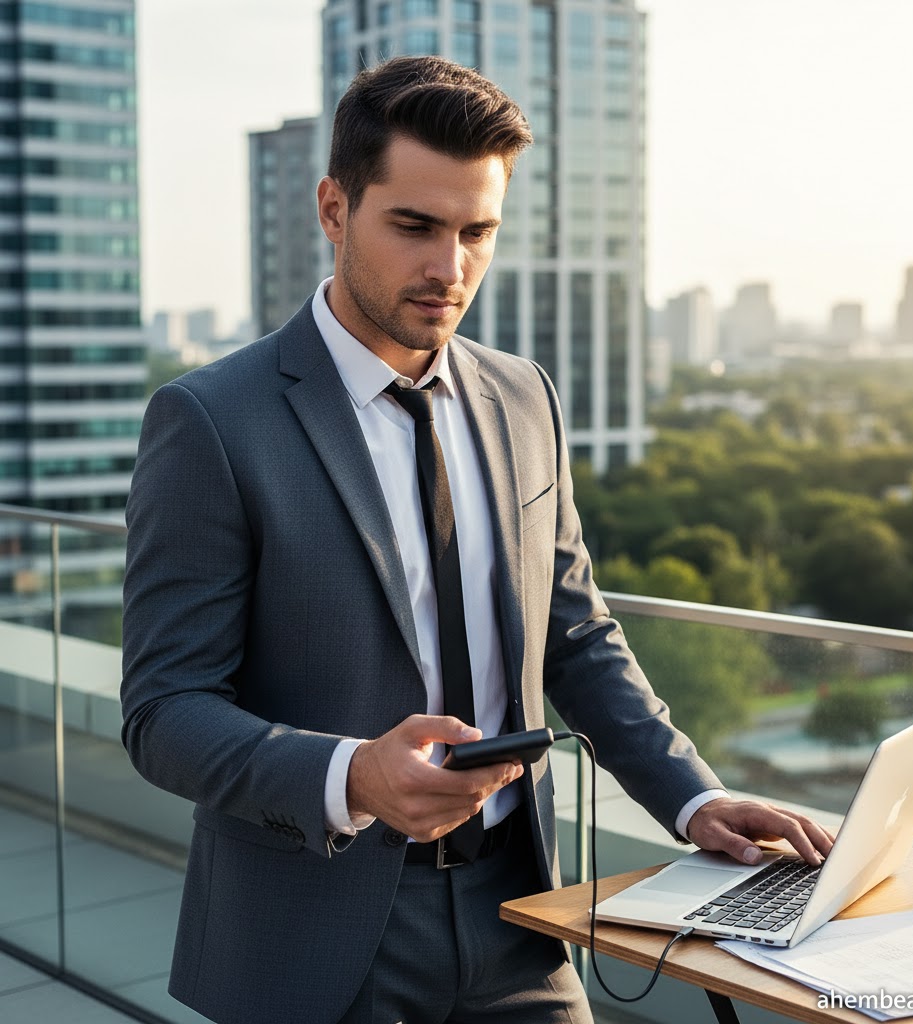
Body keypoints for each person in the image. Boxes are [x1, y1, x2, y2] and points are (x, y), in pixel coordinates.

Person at [121, 56, 832, 1024]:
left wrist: (691, 798)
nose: (448, 268)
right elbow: (164, 711)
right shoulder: (210, 419)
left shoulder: (522, 394)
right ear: (334, 210)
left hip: (517, 910)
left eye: (476, 232)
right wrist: (352, 774)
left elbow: (574, 635)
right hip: (315, 932)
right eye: (413, 226)